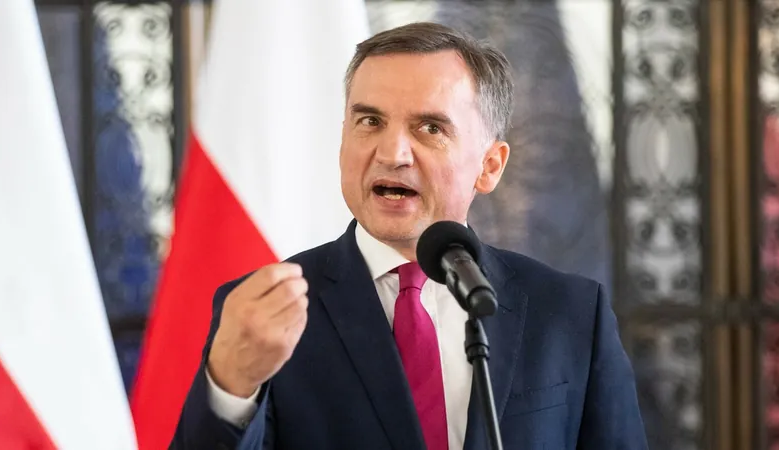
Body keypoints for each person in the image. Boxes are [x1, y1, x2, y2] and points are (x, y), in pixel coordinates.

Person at [170, 22, 647, 449]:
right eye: (370, 122)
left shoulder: (570, 314)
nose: (392, 153)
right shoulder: (263, 311)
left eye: (429, 127)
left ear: (489, 166)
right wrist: (231, 388)